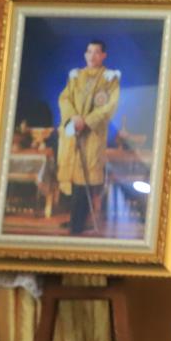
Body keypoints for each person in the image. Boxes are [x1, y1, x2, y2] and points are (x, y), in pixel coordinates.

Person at [56, 40, 120, 235]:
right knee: (74, 177)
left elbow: (109, 106)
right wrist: (73, 118)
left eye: (97, 52)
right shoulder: (76, 76)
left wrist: (87, 121)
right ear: (85, 55)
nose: (92, 56)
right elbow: (65, 98)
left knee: (85, 178)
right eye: (89, 52)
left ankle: (78, 223)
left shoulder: (109, 79)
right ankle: (75, 219)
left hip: (92, 134)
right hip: (74, 130)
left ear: (103, 56)